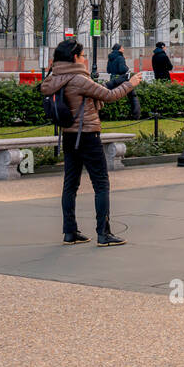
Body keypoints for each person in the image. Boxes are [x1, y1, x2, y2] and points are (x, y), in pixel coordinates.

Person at [40, 39, 143, 247]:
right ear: (75, 57)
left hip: (68, 135)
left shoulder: (54, 78)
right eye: (83, 55)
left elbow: (94, 91)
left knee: (70, 184)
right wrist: (130, 84)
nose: (85, 58)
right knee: (101, 184)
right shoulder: (78, 78)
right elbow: (109, 96)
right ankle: (104, 233)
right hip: (88, 135)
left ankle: (70, 232)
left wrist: (115, 82)